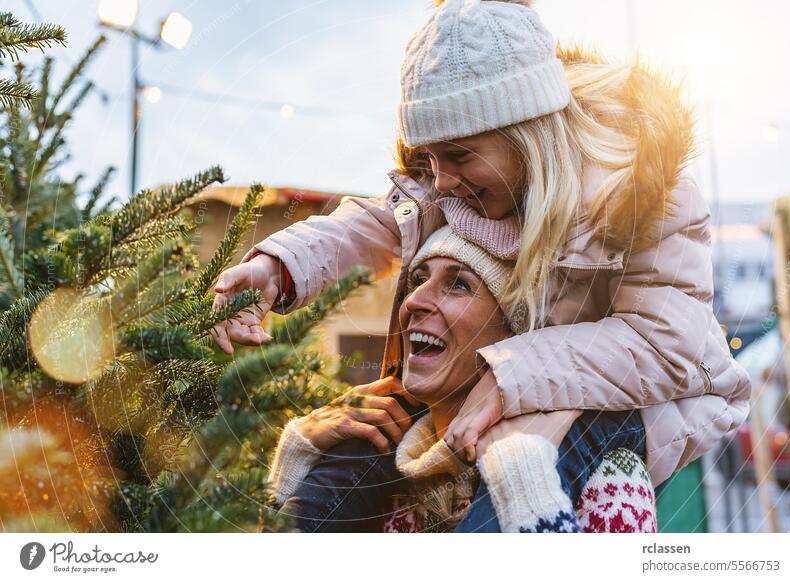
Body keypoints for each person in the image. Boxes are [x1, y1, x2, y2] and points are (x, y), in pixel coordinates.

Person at [212, 0, 750, 524]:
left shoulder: (641, 193)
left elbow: (664, 343)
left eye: (461, 156)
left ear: (526, 133)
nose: (441, 179)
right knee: (363, 442)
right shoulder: (455, 188)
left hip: (619, 401)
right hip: (482, 386)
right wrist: (274, 269)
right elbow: (373, 224)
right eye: (430, 159)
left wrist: (514, 375)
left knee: (521, 463)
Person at [267, 227, 657, 532]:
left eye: (458, 284)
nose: (413, 301)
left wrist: (526, 490)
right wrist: (296, 467)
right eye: (417, 279)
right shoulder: (372, 469)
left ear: (514, 335)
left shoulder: (604, 479)